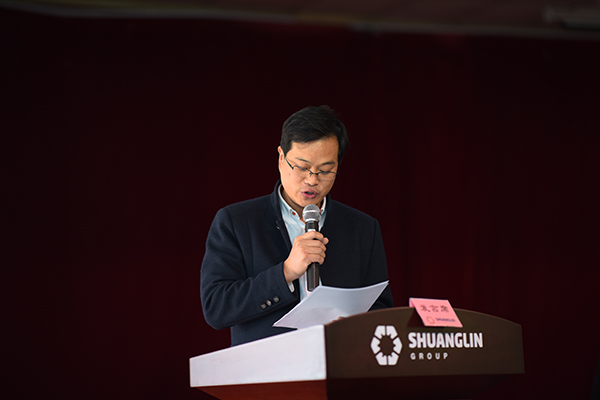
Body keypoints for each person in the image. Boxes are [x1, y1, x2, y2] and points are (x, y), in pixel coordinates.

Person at [200, 105, 394, 346]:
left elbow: (381, 309)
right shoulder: (236, 222)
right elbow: (216, 308)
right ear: (281, 158)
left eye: (326, 171)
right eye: (302, 167)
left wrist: (353, 327)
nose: (312, 180)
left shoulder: (363, 228)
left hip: (339, 359)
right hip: (266, 364)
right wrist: (286, 272)